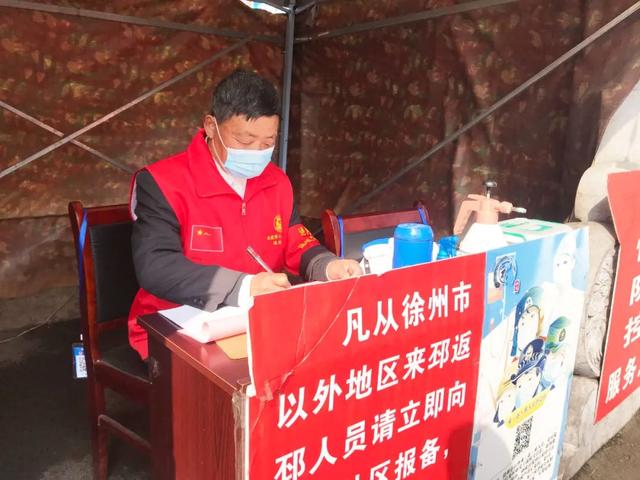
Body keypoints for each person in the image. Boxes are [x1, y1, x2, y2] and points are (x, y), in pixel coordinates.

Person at [128, 70, 362, 359]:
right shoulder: (163, 182)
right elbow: (156, 266)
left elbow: (294, 239)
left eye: (267, 143)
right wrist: (243, 287)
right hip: (175, 327)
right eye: (244, 140)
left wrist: (326, 266)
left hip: (257, 322)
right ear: (211, 126)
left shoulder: (277, 182)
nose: (256, 152)